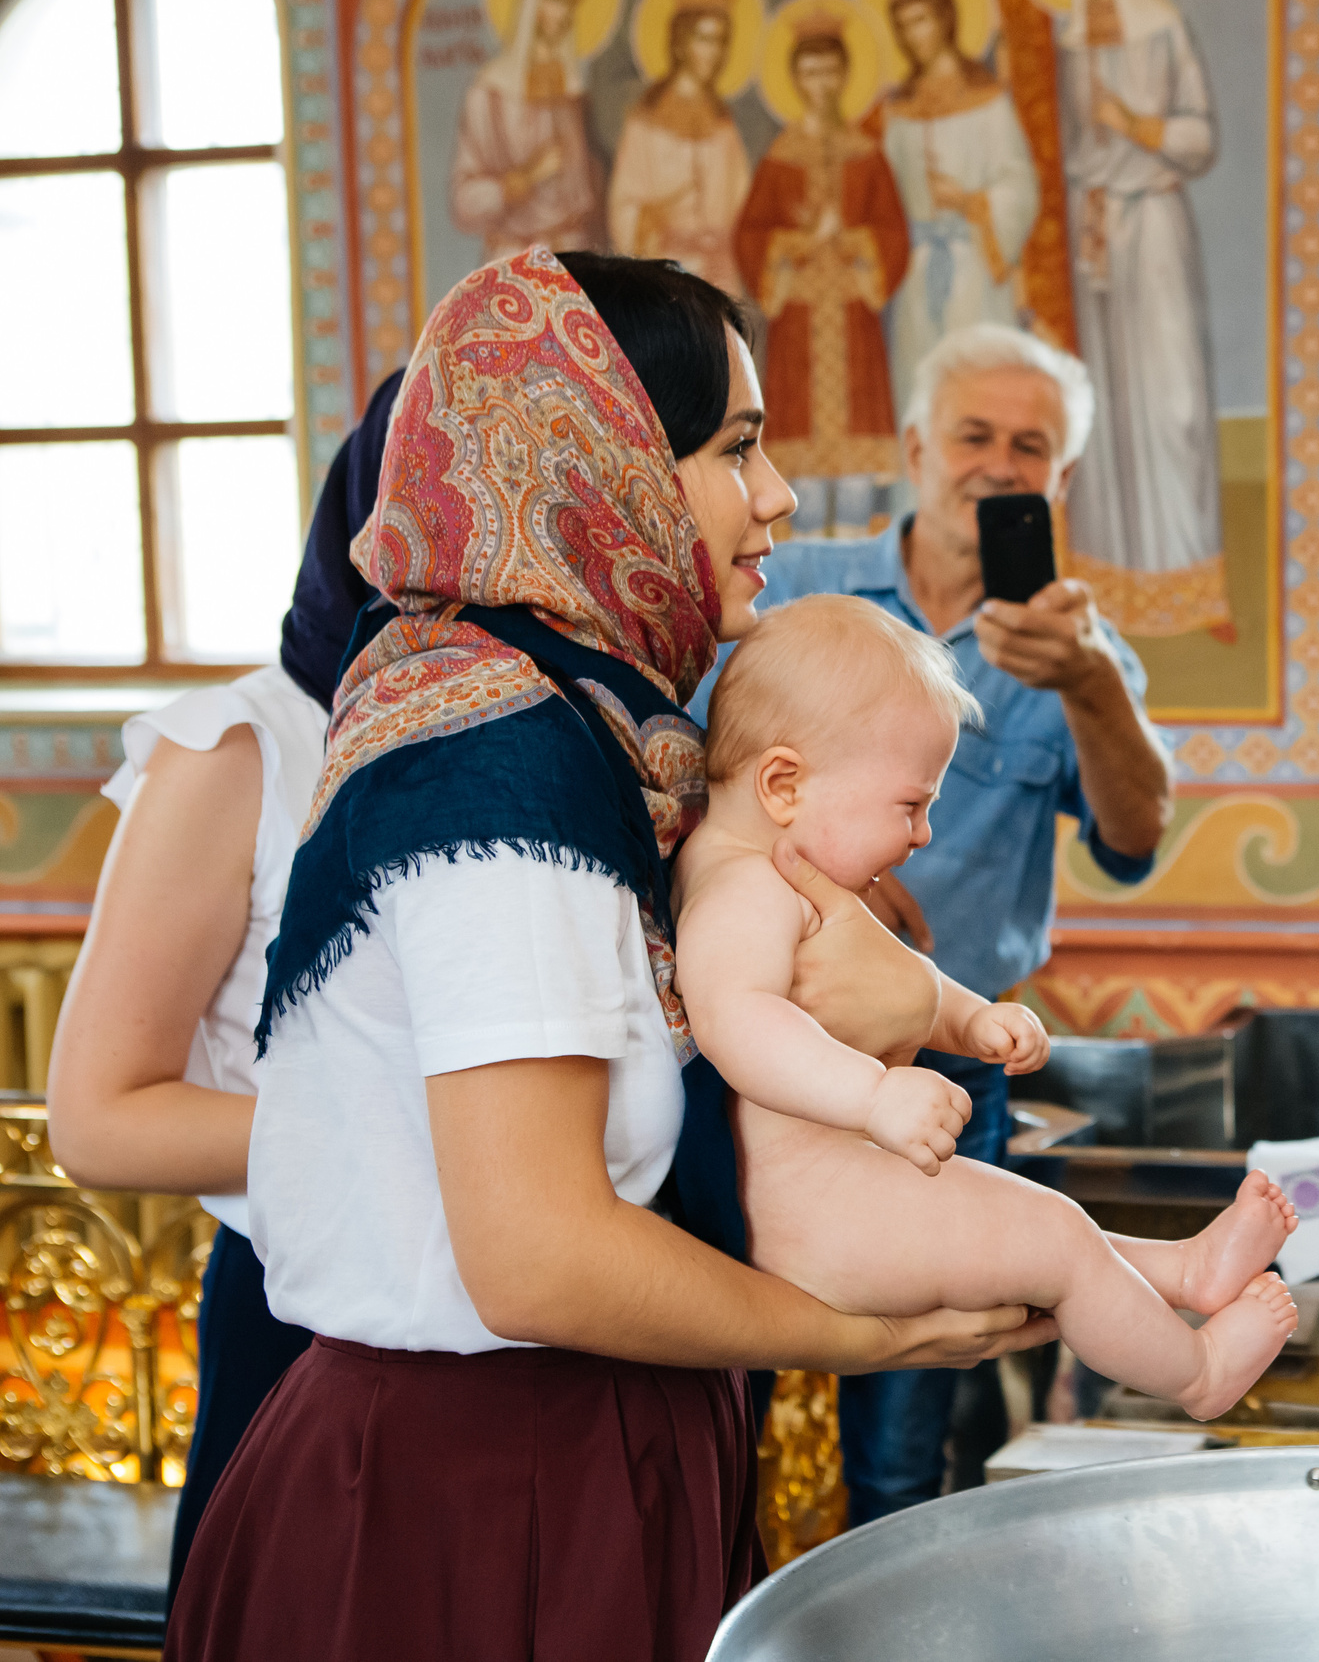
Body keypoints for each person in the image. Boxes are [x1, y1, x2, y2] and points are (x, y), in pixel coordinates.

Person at [161, 248, 1049, 1662]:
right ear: (604, 462)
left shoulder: (583, 727)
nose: (778, 497)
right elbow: (538, 1257)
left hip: (570, 1448)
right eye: (737, 449)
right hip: (470, 1498)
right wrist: (865, 1337)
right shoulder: (501, 773)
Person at [690, 320, 1172, 1523]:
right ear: (914, 445)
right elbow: (700, 781)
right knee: (712, 1385)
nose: (998, 466)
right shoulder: (790, 584)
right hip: (761, 1056)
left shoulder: (1076, 651)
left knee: (928, 1386)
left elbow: (1132, 838)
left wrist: (1093, 686)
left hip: (947, 1057)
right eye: (973, 435)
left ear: (1058, 481)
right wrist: (828, 898)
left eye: (1031, 447)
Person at [679, 593, 1295, 1418]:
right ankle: (1194, 1373)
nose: (924, 834)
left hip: (857, 1194)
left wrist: (969, 1019)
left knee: (1047, 1229)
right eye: (911, 805)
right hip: (820, 1224)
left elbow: (898, 983)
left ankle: (1187, 1273)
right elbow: (738, 1019)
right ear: (784, 783)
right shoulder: (740, 889)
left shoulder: (784, 870)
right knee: (1053, 1242)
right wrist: (872, 1092)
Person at [48, 366, 403, 1588]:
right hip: (304, 1318)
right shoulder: (241, 748)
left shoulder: (594, 731)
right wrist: (433, 1142)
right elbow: (101, 1116)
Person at [1054, 0, 1229, 640]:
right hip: (1089, 230)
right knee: (1104, 407)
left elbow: (1200, 136)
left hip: (1152, 226)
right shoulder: (1065, 40)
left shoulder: (1163, 28)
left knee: (1170, 400)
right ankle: (1109, 589)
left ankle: (1190, 582)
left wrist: (1134, 121)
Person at [736, 25, 910, 536]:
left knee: (855, 480)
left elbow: (892, 231)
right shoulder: (779, 157)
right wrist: (800, 242)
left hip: (853, 313)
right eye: (810, 72)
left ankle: (855, 590)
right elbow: (751, 235)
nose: (821, 82)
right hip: (800, 318)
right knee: (804, 480)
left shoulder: (867, 154)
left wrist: (855, 242)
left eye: (830, 70)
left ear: (844, 76)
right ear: (795, 79)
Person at [876, 0, 1039, 402]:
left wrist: (971, 202)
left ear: (945, 20)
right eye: (904, 25)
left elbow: (1020, 183)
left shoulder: (986, 97)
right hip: (917, 271)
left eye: (922, 21)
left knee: (979, 390)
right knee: (921, 391)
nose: (914, 35)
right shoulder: (898, 107)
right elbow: (884, 191)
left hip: (976, 268)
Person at [450, 0, 606, 260]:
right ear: (532, 1)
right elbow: (464, 201)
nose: (564, 14)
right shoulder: (489, 94)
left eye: (571, 3)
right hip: (516, 259)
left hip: (576, 255)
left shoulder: (573, 94)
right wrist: (522, 179)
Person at [610, 0, 752, 296]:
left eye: (720, 41)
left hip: (718, 276)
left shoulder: (723, 124)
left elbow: (742, 203)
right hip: (664, 273)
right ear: (680, 43)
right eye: (703, 39)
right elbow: (624, 204)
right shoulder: (645, 122)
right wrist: (649, 217)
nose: (713, 52)